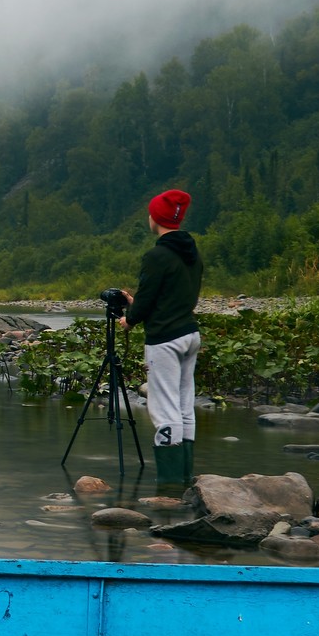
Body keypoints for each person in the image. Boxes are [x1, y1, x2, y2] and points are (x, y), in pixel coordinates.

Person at [119, 189, 203, 487]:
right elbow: (173, 296)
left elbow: (149, 296)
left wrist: (129, 318)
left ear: (156, 218)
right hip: (190, 334)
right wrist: (137, 306)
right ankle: (185, 477)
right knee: (183, 405)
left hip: (165, 340)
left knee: (164, 407)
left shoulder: (156, 255)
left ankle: (168, 485)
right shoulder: (191, 254)